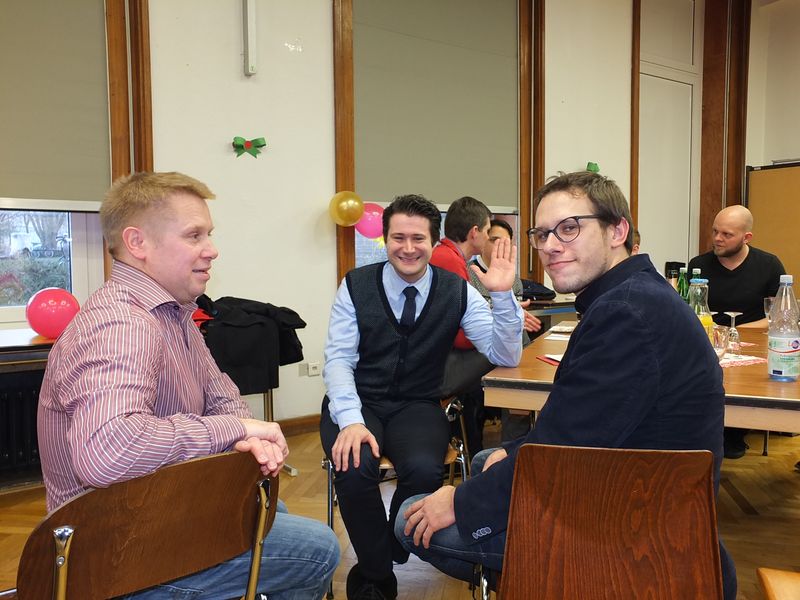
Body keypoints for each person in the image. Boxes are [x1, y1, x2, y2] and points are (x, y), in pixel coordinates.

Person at [396, 171, 737, 600]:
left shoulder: (626, 313)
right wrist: (510, 454)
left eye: (569, 228)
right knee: (487, 458)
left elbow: (565, 449)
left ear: (617, 231)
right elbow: (578, 426)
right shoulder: (633, 294)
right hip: (636, 490)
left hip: (636, 534)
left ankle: (562, 579)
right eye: (542, 234)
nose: (551, 246)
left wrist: (459, 503)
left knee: (409, 517)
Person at [38, 171, 339, 600]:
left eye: (209, 234)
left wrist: (242, 433)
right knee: (317, 550)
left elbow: (223, 397)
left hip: (149, 512)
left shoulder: (173, 313)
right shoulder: (123, 324)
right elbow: (109, 452)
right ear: (138, 243)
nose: (212, 249)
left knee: (272, 511)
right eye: (194, 235)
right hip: (109, 553)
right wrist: (236, 431)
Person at [321, 194, 523, 600]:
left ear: (433, 242)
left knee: (425, 471)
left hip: (418, 404)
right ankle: (378, 575)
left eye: (418, 238)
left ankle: (390, 545)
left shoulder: (458, 291)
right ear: (385, 239)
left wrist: (502, 296)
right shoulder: (356, 285)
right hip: (357, 400)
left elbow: (506, 354)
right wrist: (352, 422)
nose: (408, 248)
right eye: (399, 238)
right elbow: (339, 360)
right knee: (354, 465)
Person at [688, 204, 785, 459]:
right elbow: (691, 310)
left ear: (746, 237)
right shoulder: (699, 265)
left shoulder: (769, 265)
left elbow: (778, 317)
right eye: (715, 231)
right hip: (710, 341)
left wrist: (737, 330)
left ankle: (735, 432)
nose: (717, 238)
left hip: (754, 342)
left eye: (727, 234)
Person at [469, 219, 540, 441]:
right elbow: (470, 317)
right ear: (483, 240)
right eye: (494, 240)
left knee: (523, 392)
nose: (499, 246)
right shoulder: (469, 274)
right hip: (481, 351)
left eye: (506, 242)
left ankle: (514, 447)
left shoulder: (514, 280)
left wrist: (516, 317)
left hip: (518, 349)